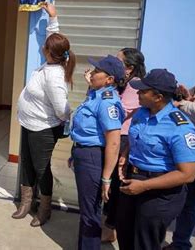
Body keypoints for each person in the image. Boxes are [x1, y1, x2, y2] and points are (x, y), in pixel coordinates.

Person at [116, 69, 195, 250]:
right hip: (133, 180)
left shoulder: (180, 127)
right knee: (124, 234)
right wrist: (125, 154)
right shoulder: (142, 112)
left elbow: (187, 174)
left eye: (143, 91)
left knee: (145, 243)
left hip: (159, 191)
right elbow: (135, 136)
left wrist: (144, 186)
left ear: (158, 97)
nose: (138, 93)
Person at [12, 3, 76, 226]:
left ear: (51, 53)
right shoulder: (51, 62)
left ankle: (45, 208)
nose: (42, 47)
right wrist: (53, 17)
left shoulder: (55, 76)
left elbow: (62, 109)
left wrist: (65, 118)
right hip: (29, 124)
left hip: (43, 129)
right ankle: (26, 203)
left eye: (45, 47)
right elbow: (53, 38)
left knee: (41, 168)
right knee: (28, 164)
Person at [70, 55, 125, 249]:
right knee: (86, 210)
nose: (91, 74)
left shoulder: (108, 102)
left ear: (109, 79)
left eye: (96, 72)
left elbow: (113, 142)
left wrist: (106, 178)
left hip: (93, 157)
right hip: (84, 154)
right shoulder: (97, 94)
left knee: (90, 214)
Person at [102, 48, 146, 242]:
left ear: (129, 68)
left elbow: (120, 111)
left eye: (119, 61)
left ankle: (111, 228)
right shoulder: (125, 83)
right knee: (110, 184)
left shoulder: (135, 85)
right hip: (116, 136)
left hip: (123, 139)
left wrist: (103, 89)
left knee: (116, 183)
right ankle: (109, 225)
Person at [163, 72, 195, 250]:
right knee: (186, 207)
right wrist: (188, 97)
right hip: (192, 160)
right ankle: (180, 244)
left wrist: (184, 104)